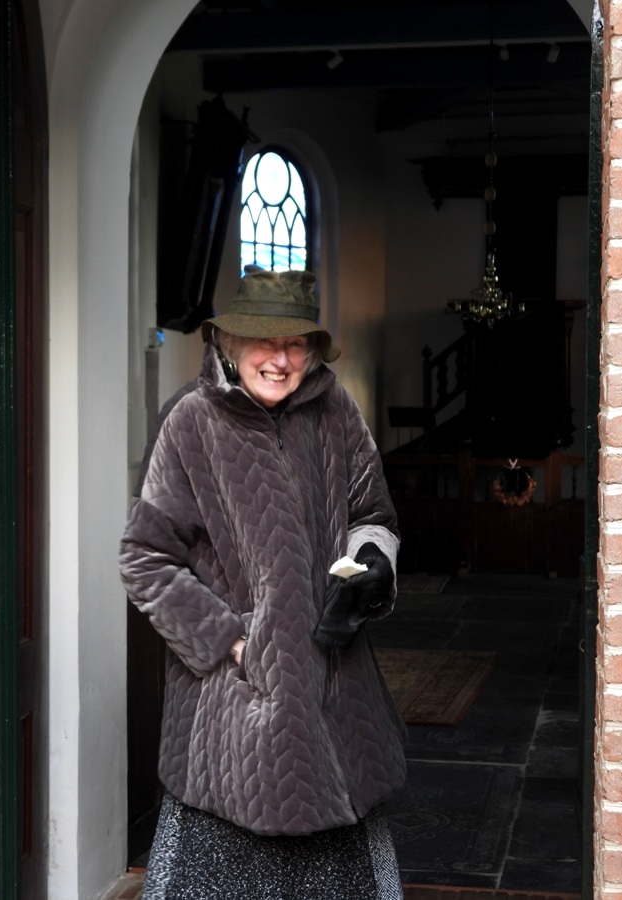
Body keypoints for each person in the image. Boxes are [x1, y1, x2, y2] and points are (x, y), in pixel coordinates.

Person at [120, 265, 406, 898]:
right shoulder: (191, 421)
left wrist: (372, 564)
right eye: (264, 341)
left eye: (296, 343)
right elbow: (145, 557)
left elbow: (373, 516)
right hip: (233, 706)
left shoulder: (337, 411)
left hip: (335, 692)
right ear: (230, 342)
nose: (280, 359)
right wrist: (233, 643)